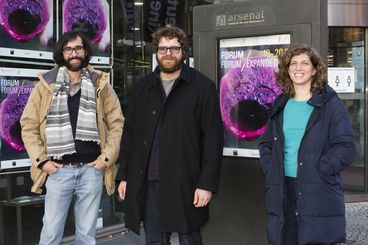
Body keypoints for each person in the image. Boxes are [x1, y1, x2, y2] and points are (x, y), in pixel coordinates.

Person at [116, 25, 223, 245]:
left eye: (174, 48)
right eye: (163, 48)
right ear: (155, 52)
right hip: (150, 180)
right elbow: (130, 135)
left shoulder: (202, 87)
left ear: (183, 51)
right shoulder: (143, 87)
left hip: (187, 180)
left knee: (189, 237)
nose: (168, 54)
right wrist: (124, 175)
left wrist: (207, 184)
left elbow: (213, 139)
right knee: (154, 239)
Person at [20, 30, 124, 245]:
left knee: (87, 236)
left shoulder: (100, 83)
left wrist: (106, 158)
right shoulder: (45, 84)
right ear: (62, 53)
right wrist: (42, 161)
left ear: (85, 51)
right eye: (68, 49)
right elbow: (28, 125)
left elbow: (117, 123)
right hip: (58, 171)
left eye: (78, 48)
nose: (74, 53)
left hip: (91, 170)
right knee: (50, 234)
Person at [259, 44, 356, 245]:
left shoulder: (330, 103)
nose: (298, 68)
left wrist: (320, 169)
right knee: (285, 238)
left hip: (317, 187)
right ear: (287, 70)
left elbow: (345, 146)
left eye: (305, 63)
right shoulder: (281, 103)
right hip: (283, 187)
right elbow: (266, 144)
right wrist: (271, 168)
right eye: (293, 63)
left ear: (314, 69)